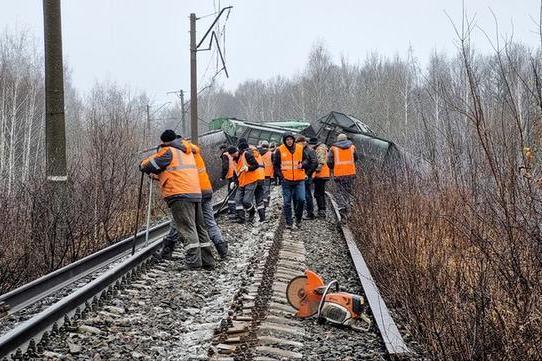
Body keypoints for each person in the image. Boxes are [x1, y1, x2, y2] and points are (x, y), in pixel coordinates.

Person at [139, 130, 215, 270]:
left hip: (179, 194)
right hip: (195, 192)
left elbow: (149, 165)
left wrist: (142, 164)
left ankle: (193, 262)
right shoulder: (187, 151)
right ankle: (207, 260)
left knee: (187, 228)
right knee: (199, 227)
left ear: (163, 141)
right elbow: (175, 172)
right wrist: (157, 176)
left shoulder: (168, 151)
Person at [188, 140, 228, 259]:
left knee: (189, 222)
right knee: (210, 221)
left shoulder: (184, 157)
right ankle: (221, 247)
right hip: (206, 190)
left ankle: (169, 247)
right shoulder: (196, 154)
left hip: (195, 192)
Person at [273, 133, 312, 230]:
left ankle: (298, 219)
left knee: (301, 199)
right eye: (287, 140)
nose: (289, 141)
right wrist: (281, 177)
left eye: (291, 139)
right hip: (286, 180)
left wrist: (303, 164)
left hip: (299, 179)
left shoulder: (300, 148)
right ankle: (289, 222)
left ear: (293, 140)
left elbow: (307, 160)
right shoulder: (279, 150)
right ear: (284, 141)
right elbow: (276, 165)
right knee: (287, 202)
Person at [232, 138, 265, 223]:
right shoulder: (255, 151)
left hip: (251, 178)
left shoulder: (245, 154)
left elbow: (252, 165)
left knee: (247, 200)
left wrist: (248, 169)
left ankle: (251, 215)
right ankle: (262, 218)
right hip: (260, 177)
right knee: (259, 199)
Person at [328, 133, 358, 220]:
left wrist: (333, 168)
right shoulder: (352, 147)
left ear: (338, 140)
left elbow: (329, 161)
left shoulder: (333, 148)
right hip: (350, 173)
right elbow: (356, 158)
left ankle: (342, 207)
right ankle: (350, 205)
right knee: (348, 190)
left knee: (340, 191)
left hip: (339, 174)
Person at [295, 136, 318, 220]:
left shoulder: (309, 150)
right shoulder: (306, 149)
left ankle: (310, 213)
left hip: (306, 175)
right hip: (304, 174)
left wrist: (307, 174)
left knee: (307, 194)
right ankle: (308, 212)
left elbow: (315, 163)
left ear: (302, 142)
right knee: (306, 193)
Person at [310, 137, 330, 218]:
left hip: (320, 175)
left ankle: (322, 211)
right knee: (320, 193)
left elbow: (320, 163)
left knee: (318, 194)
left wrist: (313, 171)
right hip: (323, 174)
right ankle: (321, 210)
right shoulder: (322, 147)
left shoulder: (319, 149)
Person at [220, 145, 238, 218]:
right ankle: (236, 209)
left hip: (232, 176)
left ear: (222, 149)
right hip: (237, 175)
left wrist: (222, 176)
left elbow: (225, 166)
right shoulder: (232, 154)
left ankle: (233, 211)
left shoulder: (225, 155)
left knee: (231, 193)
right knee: (235, 192)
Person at [259, 140, 274, 208]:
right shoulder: (271, 154)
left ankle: (260, 202)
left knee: (260, 188)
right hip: (268, 174)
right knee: (266, 188)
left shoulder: (258, 153)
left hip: (259, 174)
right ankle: (265, 202)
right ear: (268, 147)